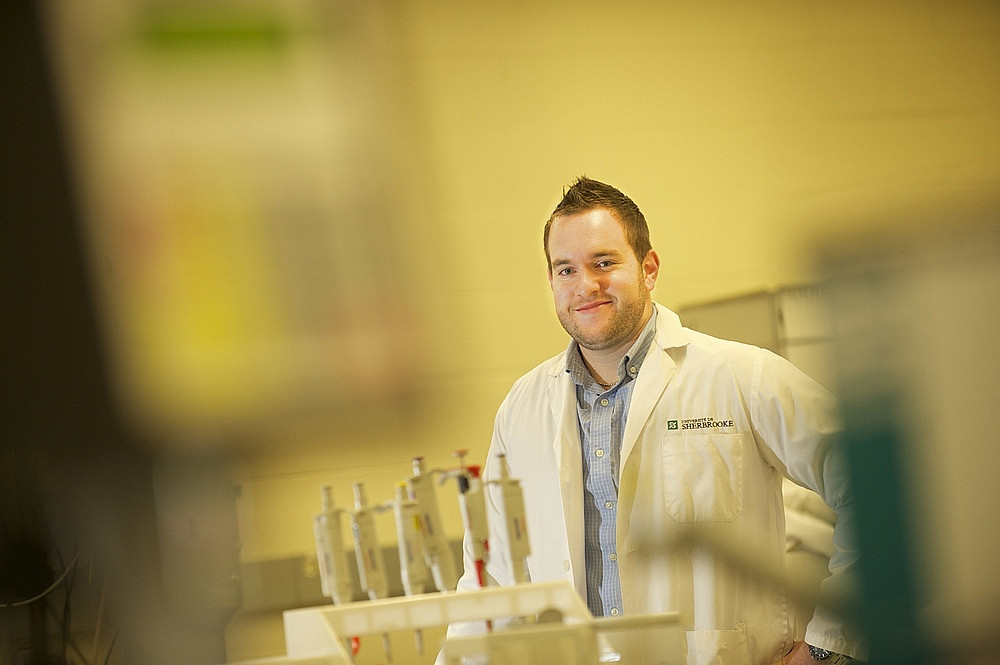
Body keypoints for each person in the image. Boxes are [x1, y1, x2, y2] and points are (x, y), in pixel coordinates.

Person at [442, 177, 863, 665]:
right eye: (565, 270)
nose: (586, 285)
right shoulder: (522, 409)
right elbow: (492, 575)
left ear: (648, 268)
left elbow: (875, 485)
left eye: (604, 262)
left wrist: (826, 647)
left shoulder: (741, 375)